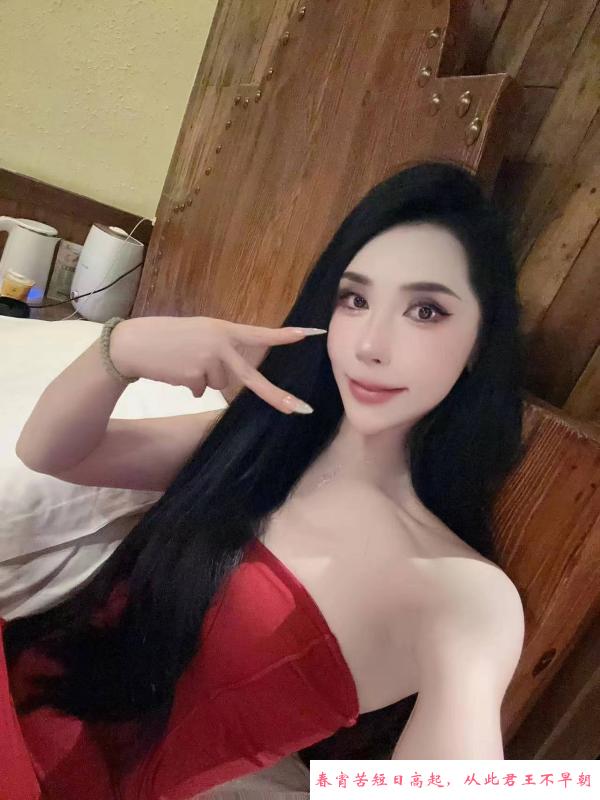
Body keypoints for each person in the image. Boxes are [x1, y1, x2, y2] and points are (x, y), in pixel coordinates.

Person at [2, 160, 527, 800]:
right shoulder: (261, 442)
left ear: (479, 342)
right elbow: (48, 452)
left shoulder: (464, 593)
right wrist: (122, 349)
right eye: (355, 299)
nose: (370, 344)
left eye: (425, 310)